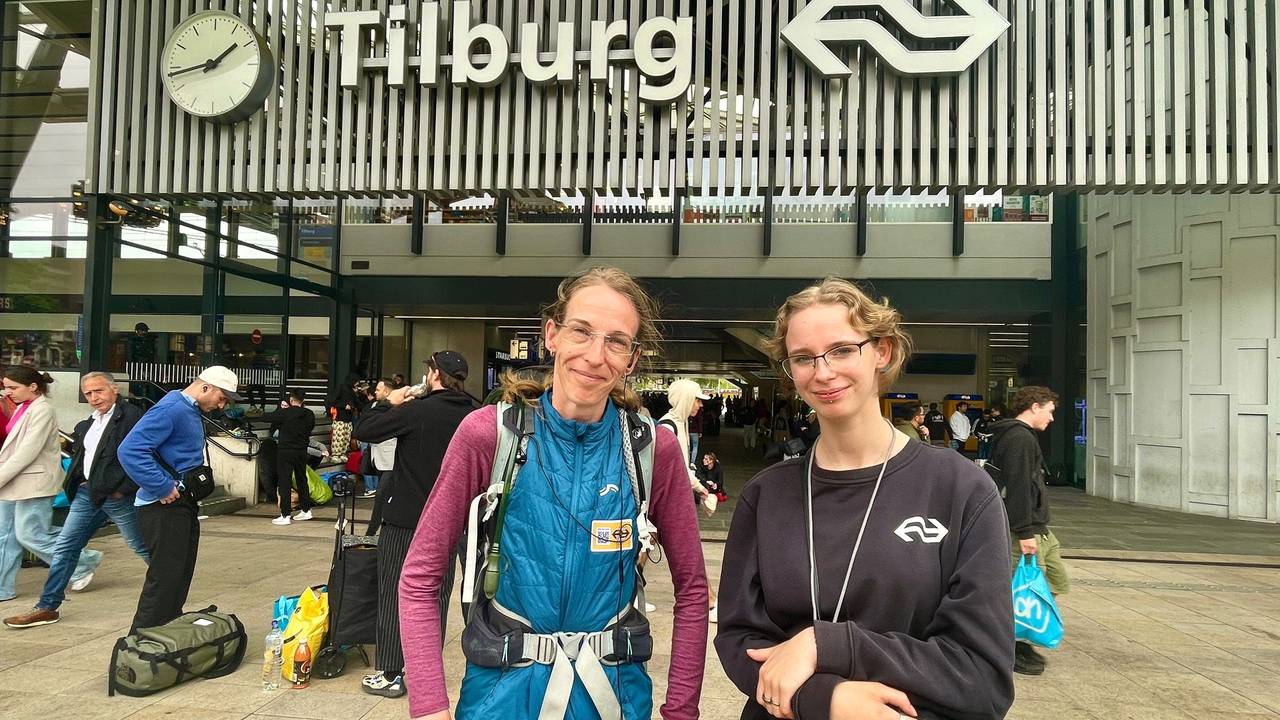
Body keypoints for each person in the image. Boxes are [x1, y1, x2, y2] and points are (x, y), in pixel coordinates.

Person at [398, 267, 708, 720]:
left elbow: (694, 591)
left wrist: (681, 711)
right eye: (581, 331)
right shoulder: (490, 435)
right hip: (499, 699)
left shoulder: (650, 450)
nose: (595, 355)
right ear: (552, 335)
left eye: (616, 341)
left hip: (613, 699)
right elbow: (420, 577)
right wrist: (428, 706)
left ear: (632, 359)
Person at [716, 277, 1014, 720]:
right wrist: (824, 700)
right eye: (802, 358)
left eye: (841, 349)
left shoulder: (961, 489)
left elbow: (981, 676)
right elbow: (740, 639)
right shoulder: (766, 495)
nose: (823, 372)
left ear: (883, 351)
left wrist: (830, 646)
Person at [353, 352, 479, 698]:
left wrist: (386, 402)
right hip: (453, 519)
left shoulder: (416, 410)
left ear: (434, 374)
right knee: (436, 595)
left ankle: (391, 672)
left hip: (407, 516)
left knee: (396, 591)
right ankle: (423, 670)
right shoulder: (474, 413)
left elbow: (364, 430)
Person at [4, 372, 151, 628]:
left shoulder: (132, 417)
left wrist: (123, 488)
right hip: (88, 494)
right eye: (88, 394)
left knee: (140, 546)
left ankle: (172, 583)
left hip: (116, 496)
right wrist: (80, 481)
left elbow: (144, 453)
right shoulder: (90, 421)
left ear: (114, 390)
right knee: (64, 548)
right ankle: (47, 607)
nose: (94, 398)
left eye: (99, 391)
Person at [119, 366, 241, 632]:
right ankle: (141, 640)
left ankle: (164, 634)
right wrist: (161, 486)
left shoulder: (186, 409)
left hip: (179, 502)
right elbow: (130, 450)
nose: (222, 405)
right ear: (205, 387)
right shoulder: (172, 409)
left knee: (177, 574)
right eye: (222, 397)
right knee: (164, 578)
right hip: (163, 505)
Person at [0, 368, 101, 603]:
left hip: (33, 481)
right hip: (14, 480)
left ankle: (84, 560)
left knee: (31, 534)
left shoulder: (42, 409)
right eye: (6, 386)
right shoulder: (23, 408)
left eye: (13, 387)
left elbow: (27, 451)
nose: (8, 392)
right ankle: (3, 588)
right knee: (6, 536)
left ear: (33, 387)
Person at [988, 385, 1067, 676]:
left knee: (1055, 582)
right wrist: (1024, 532)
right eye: (1050, 410)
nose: (1052, 418)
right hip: (1026, 527)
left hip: (1039, 526)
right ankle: (1012, 643)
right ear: (1034, 406)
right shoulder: (1019, 439)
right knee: (1022, 589)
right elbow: (1018, 487)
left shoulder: (1021, 437)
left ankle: (1020, 633)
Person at [260, 390, 316, 526]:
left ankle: (285, 514)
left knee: (284, 480)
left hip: (286, 450)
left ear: (291, 400)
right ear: (303, 401)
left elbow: (266, 417)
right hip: (302, 451)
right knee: (302, 479)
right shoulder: (309, 414)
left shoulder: (285, 413)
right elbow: (310, 428)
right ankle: (306, 510)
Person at [658, 379, 714, 514]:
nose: (701, 405)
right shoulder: (667, 427)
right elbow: (677, 469)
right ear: (686, 399)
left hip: (676, 498)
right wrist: (700, 489)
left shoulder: (682, 422)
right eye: (697, 400)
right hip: (668, 503)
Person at [364, 378, 398, 534]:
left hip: (391, 459)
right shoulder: (375, 406)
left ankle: (371, 532)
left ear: (387, 391)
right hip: (378, 458)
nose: (375, 392)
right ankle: (386, 528)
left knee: (381, 495)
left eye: (378, 389)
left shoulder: (396, 407)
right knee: (384, 495)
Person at [328, 373, 361, 463]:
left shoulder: (352, 391)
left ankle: (342, 453)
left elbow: (357, 403)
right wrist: (343, 406)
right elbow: (332, 400)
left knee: (346, 437)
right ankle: (335, 454)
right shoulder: (341, 388)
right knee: (339, 436)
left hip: (349, 417)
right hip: (340, 417)